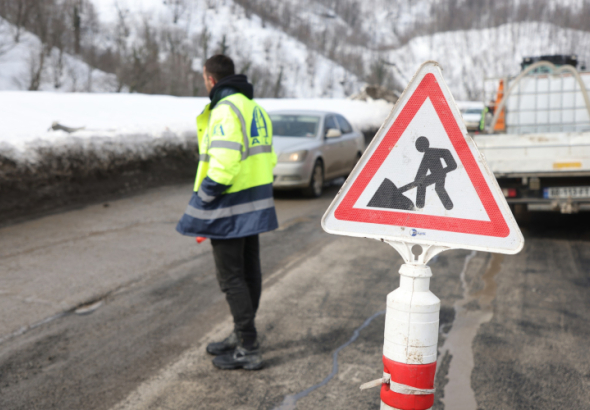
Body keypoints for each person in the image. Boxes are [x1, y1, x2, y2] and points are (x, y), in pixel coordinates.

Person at [176, 55, 277, 370]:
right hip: (254, 204)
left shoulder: (225, 110)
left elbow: (224, 165)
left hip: (229, 207)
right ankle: (241, 334)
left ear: (210, 78)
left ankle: (248, 346)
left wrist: (205, 196)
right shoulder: (254, 109)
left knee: (232, 278)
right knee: (249, 274)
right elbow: (269, 158)